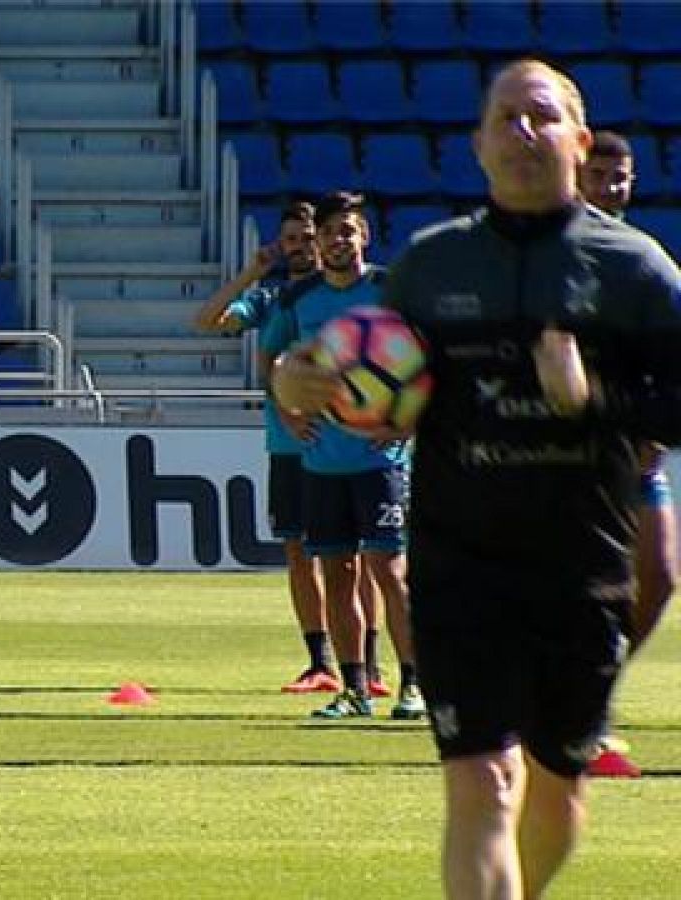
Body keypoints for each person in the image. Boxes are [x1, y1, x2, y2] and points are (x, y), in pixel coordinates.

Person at [274, 60, 681, 899]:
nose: (524, 132)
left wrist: (595, 400)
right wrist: (296, 379)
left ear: (579, 139)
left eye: (542, 116)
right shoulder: (433, 266)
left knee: (554, 786)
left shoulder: (635, 271)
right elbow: (359, 377)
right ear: (477, 145)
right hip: (460, 565)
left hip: (583, 568)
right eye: (506, 118)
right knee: (484, 783)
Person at [260, 192, 422, 722]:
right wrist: (289, 415)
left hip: (380, 460)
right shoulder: (299, 298)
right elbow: (271, 360)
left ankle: (413, 686)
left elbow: (428, 361)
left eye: (348, 231)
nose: (338, 241)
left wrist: (406, 422)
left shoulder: (391, 291)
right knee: (337, 572)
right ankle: (354, 690)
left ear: (364, 236)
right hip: (321, 461)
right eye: (330, 232)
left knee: (389, 571)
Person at [193, 201, 338, 693]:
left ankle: (365, 664)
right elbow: (206, 320)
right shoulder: (270, 297)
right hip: (288, 446)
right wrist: (251, 272)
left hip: (341, 442)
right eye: (290, 240)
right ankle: (320, 661)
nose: (299, 248)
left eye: (307, 237)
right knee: (299, 553)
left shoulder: (344, 295)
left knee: (354, 558)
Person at [575, 131, 676, 779]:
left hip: (636, 448)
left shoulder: (639, 257)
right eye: (600, 175)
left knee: (659, 576)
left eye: (621, 176)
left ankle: (589, 695)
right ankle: (579, 719)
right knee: (586, 587)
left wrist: (654, 424)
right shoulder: (563, 254)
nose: (612, 187)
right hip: (575, 453)